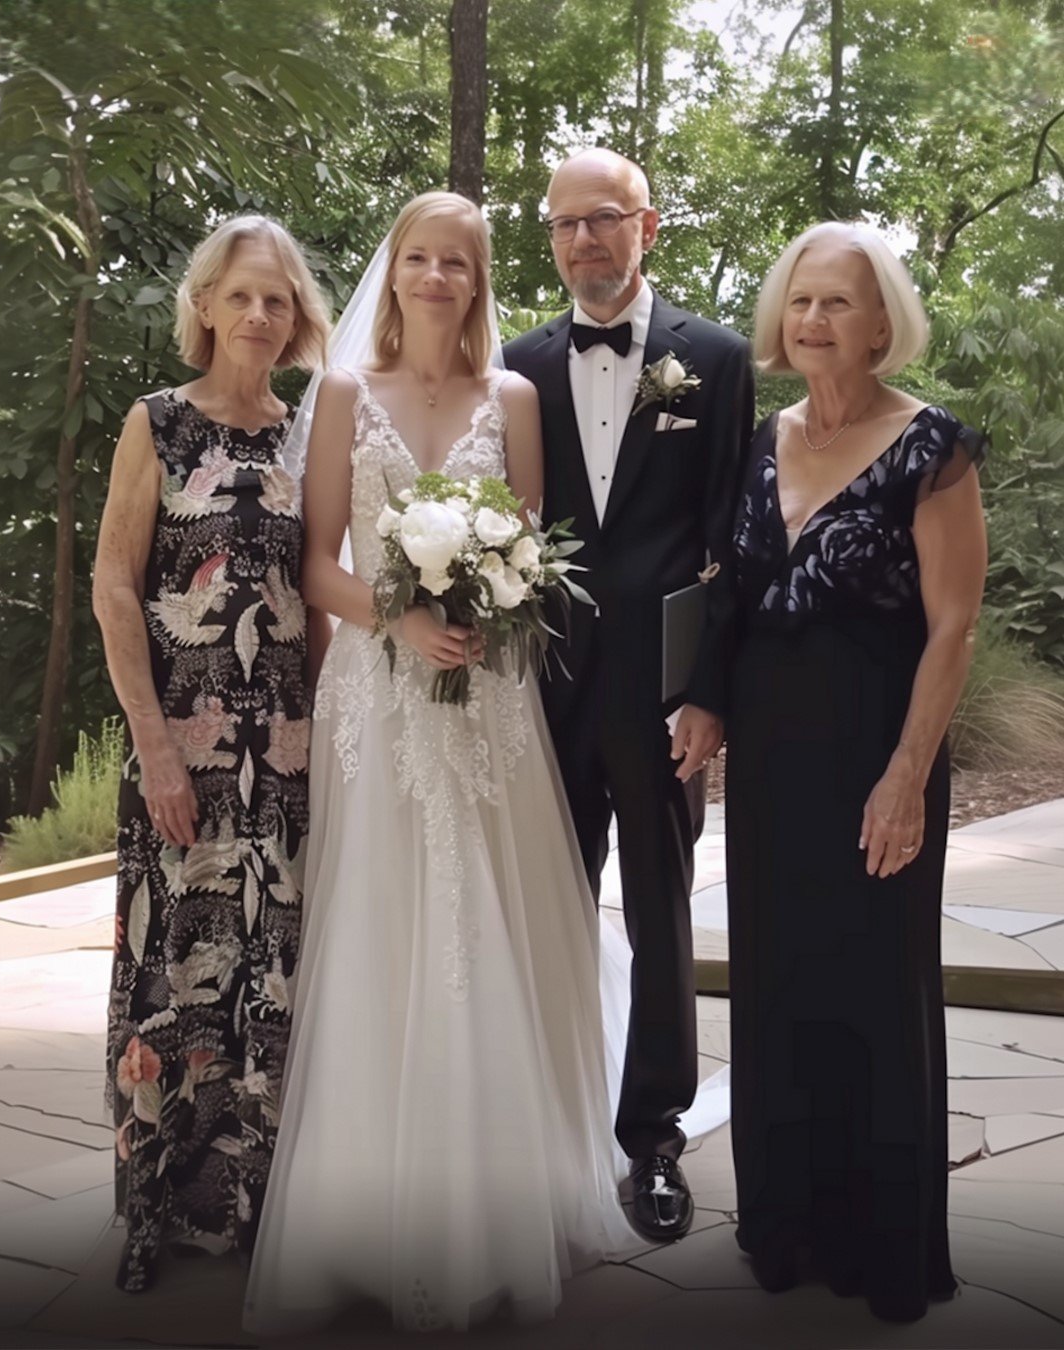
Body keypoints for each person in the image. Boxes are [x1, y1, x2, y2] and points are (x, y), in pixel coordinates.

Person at [243, 191, 632, 1337]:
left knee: (487, 926)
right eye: (418, 257)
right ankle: (370, 1217)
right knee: (382, 926)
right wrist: (400, 619)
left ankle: (498, 1202)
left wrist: (479, 612)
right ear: (394, 269)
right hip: (377, 687)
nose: (435, 277)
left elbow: (528, 551)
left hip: (485, 698)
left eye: (456, 262)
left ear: (476, 279)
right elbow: (315, 563)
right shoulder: (343, 396)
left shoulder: (512, 398)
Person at [726, 221, 987, 1322]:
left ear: (884, 322)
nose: (816, 320)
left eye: (839, 302)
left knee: (873, 995)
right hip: (770, 769)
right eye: (800, 301)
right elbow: (728, 601)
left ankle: (885, 1251)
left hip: (877, 755)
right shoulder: (757, 437)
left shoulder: (934, 447)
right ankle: (782, 1229)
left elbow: (955, 626)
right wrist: (697, 707)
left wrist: (907, 773)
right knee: (778, 990)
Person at [503, 149, 754, 1240]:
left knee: (659, 914)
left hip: (662, 702)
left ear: (646, 226)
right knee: (543, 908)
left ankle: (654, 1138)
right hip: (544, 691)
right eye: (563, 225)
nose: (583, 243)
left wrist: (708, 695)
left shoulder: (719, 357)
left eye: (602, 220)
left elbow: (732, 543)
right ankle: (547, 1124)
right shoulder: (517, 364)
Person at [92, 215, 331, 1292]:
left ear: (298, 319)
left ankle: (244, 1209)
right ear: (204, 305)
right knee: (171, 974)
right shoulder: (159, 426)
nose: (257, 315)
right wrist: (154, 749)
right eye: (240, 295)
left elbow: (316, 603)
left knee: (264, 981)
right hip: (180, 755)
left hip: (279, 763)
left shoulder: (308, 435)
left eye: (277, 300)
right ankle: (151, 1209)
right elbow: (114, 586)